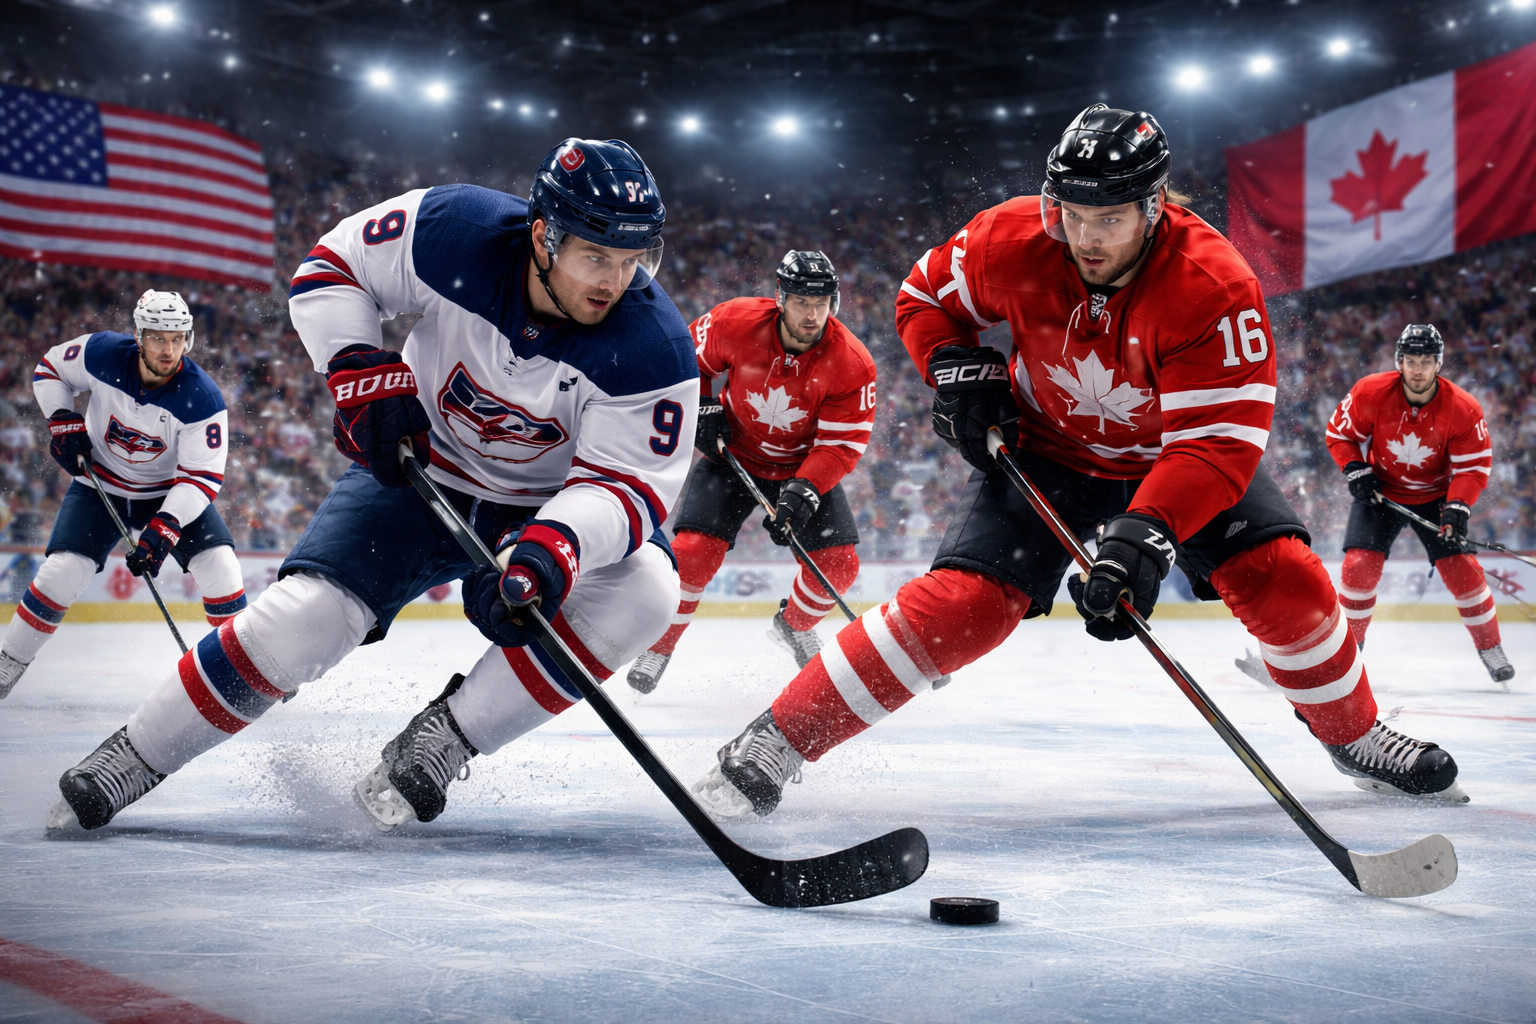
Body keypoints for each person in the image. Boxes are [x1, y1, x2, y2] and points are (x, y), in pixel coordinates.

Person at [691, 104, 1466, 820]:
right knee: (962, 605)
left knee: (1287, 582)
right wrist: (957, 366)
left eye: (1110, 217)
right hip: (1050, 451)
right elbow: (923, 299)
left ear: (1154, 206)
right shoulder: (1010, 236)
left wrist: (1146, 534)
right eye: (1071, 213)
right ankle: (775, 740)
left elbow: (1217, 444)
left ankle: (1354, 734)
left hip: (1175, 457)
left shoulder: (1216, 285)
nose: (1085, 236)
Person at [48, 138, 698, 832]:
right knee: (307, 619)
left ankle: (448, 737)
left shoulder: (656, 347)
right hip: (420, 470)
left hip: (545, 504)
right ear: (544, 235)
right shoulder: (456, 230)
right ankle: (135, 755)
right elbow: (333, 267)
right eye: (596, 255)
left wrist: (551, 547)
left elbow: (628, 486)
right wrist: (360, 371)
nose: (616, 280)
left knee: (648, 591)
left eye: (634, 260)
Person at [626, 251, 877, 694]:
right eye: (801, 301)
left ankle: (794, 625)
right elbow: (686, 363)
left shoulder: (852, 364)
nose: (812, 314)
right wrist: (701, 406)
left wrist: (804, 490)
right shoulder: (734, 322)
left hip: (800, 469)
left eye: (822, 302)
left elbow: (840, 444)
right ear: (781, 297)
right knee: (691, 554)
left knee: (839, 564)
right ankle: (659, 645)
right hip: (732, 457)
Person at [0, 290, 245, 700]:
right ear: (138, 335)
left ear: (189, 338)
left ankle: (242, 667)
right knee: (63, 572)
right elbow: (50, 370)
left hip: (169, 493)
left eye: (177, 338)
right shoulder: (102, 353)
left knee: (221, 566)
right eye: (157, 338)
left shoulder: (202, 397)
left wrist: (165, 526)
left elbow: (202, 477)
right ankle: (8, 663)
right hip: (100, 486)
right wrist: (62, 417)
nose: (169, 350)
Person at [1326, 324, 1513, 684]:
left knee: (1462, 570)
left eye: (1426, 361)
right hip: (1380, 491)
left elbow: (1473, 468)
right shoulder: (1370, 391)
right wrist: (1355, 469)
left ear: (1438, 364)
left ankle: (1490, 647)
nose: (1417, 369)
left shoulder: (1463, 408)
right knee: (1359, 566)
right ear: (1399, 361)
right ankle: (1348, 652)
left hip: (1437, 497)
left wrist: (1458, 507)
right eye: (1410, 360)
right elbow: (1340, 435)